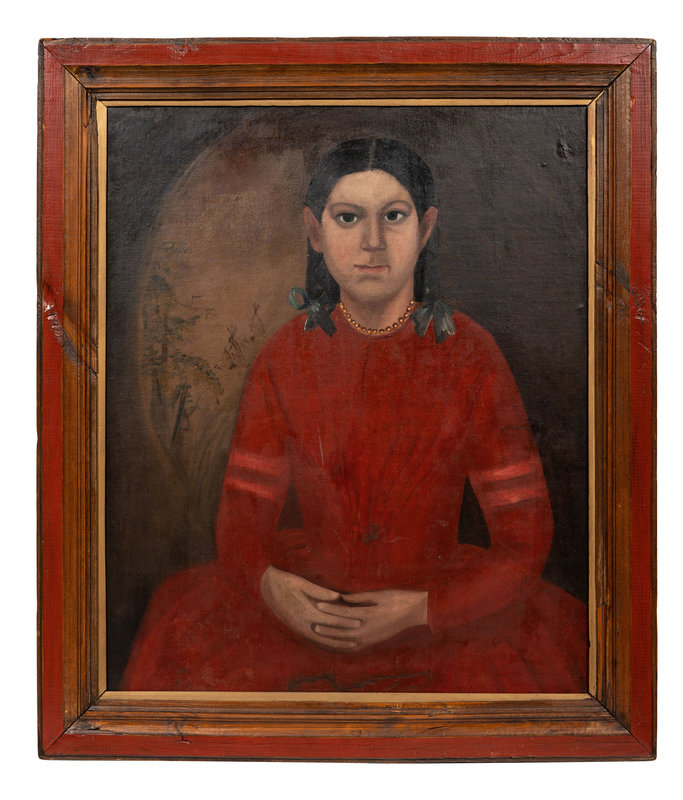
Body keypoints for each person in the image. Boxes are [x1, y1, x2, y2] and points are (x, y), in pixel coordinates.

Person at [121, 138, 587, 693]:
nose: (372, 242)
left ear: (426, 228)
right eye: (348, 217)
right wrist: (271, 587)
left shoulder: (472, 355)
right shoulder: (283, 356)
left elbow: (525, 541)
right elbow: (241, 520)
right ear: (314, 231)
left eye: (394, 216)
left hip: (439, 612)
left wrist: (421, 610)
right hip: (307, 609)